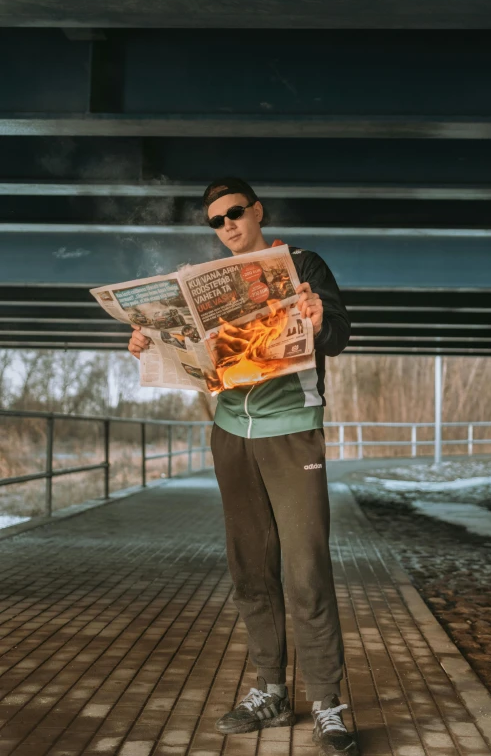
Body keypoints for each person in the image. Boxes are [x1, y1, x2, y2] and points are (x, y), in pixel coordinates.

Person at [128, 178, 358, 755]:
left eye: (235, 213)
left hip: (292, 433)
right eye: (216, 221)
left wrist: (316, 311)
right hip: (230, 434)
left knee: (305, 568)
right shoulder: (204, 285)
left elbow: (339, 335)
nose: (227, 225)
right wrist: (148, 342)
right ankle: (270, 691)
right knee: (251, 569)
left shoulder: (303, 264)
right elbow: (194, 360)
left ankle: (328, 703)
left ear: (257, 211)